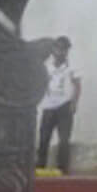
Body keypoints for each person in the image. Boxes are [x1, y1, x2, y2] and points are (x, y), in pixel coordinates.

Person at [36, 37, 81, 173]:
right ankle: (40, 166)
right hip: (48, 106)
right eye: (58, 49)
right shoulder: (46, 66)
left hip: (64, 106)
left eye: (64, 49)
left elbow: (77, 86)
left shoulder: (72, 67)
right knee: (44, 138)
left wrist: (74, 103)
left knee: (64, 139)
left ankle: (62, 168)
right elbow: (39, 84)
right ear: (53, 50)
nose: (61, 52)